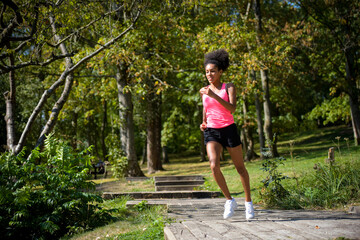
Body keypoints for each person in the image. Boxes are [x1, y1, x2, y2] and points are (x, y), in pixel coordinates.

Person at [199, 49, 254, 220]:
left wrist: (213, 95)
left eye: (213, 71)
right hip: (212, 131)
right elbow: (206, 109)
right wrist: (203, 123)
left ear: (220, 71)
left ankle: (248, 203)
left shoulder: (228, 87)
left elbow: (232, 109)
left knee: (240, 168)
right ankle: (229, 200)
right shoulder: (204, 90)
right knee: (214, 165)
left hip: (229, 129)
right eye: (207, 71)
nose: (209, 74)